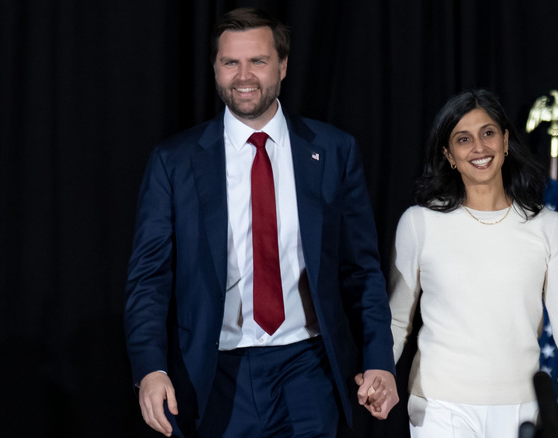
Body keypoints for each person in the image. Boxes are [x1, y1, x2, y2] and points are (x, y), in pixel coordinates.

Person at [124, 7, 398, 437]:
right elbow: (149, 279)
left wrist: (380, 359)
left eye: (258, 61)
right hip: (215, 375)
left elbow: (361, 269)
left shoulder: (333, 151)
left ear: (283, 66)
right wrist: (150, 368)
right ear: (215, 69)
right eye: (230, 62)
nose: (243, 75)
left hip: (309, 369)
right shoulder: (174, 162)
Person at [388, 89, 558, 437]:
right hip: (439, 407)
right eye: (463, 139)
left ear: (506, 141)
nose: (479, 147)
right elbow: (396, 320)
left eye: (488, 133)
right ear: (449, 155)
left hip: (521, 410)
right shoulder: (419, 222)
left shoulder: (546, 225)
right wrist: (379, 374)